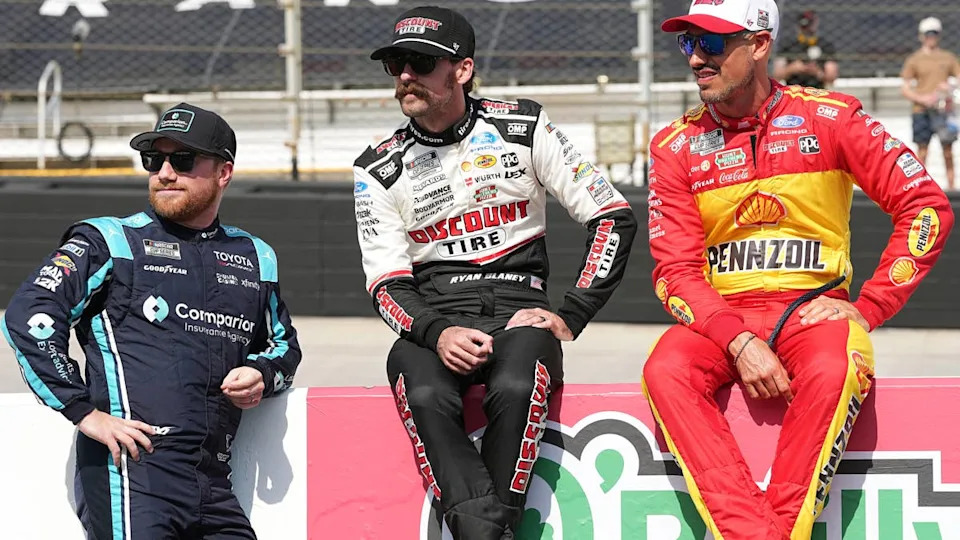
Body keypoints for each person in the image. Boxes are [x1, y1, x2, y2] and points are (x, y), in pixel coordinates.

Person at [646, 0, 954, 538]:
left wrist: (869, 306)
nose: (696, 58)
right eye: (688, 43)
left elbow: (925, 207)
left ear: (760, 44)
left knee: (838, 368)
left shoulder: (831, 117)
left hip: (810, 312)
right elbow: (675, 270)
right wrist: (738, 341)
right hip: (722, 320)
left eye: (713, 43)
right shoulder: (675, 146)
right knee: (665, 371)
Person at [354, 6, 637, 539]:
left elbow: (613, 217)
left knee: (514, 382)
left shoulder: (524, 125)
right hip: (434, 317)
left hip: (518, 310)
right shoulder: (377, 167)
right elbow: (385, 285)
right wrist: (437, 333)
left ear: (462, 70)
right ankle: (492, 531)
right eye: (395, 65)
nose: (405, 76)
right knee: (422, 390)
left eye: (419, 62)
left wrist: (571, 314)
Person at [2, 103, 301, 539]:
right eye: (153, 159)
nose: (164, 172)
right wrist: (83, 411)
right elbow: (31, 316)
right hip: (132, 473)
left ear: (224, 172)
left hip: (214, 482)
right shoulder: (108, 240)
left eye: (182, 160)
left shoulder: (255, 257)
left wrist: (261, 373)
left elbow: (284, 348)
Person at [901, 16, 960, 190]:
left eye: (934, 33)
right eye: (928, 34)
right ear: (921, 36)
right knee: (922, 152)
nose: (931, 37)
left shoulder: (948, 58)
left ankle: (951, 187)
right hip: (921, 110)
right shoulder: (914, 59)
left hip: (942, 111)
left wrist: (949, 86)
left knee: (948, 151)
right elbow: (905, 88)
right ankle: (921, 189)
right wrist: (922, 99)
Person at [773, 10, 838, 88]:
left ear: (816, 23)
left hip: (818, 91)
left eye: (809, 26)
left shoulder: (825, 46)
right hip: (794, 91)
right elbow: (777, 75)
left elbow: (831, 78)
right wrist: (792, 68)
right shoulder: (788, 45)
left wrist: (817, 72)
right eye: (804, 27)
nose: (807, 30)